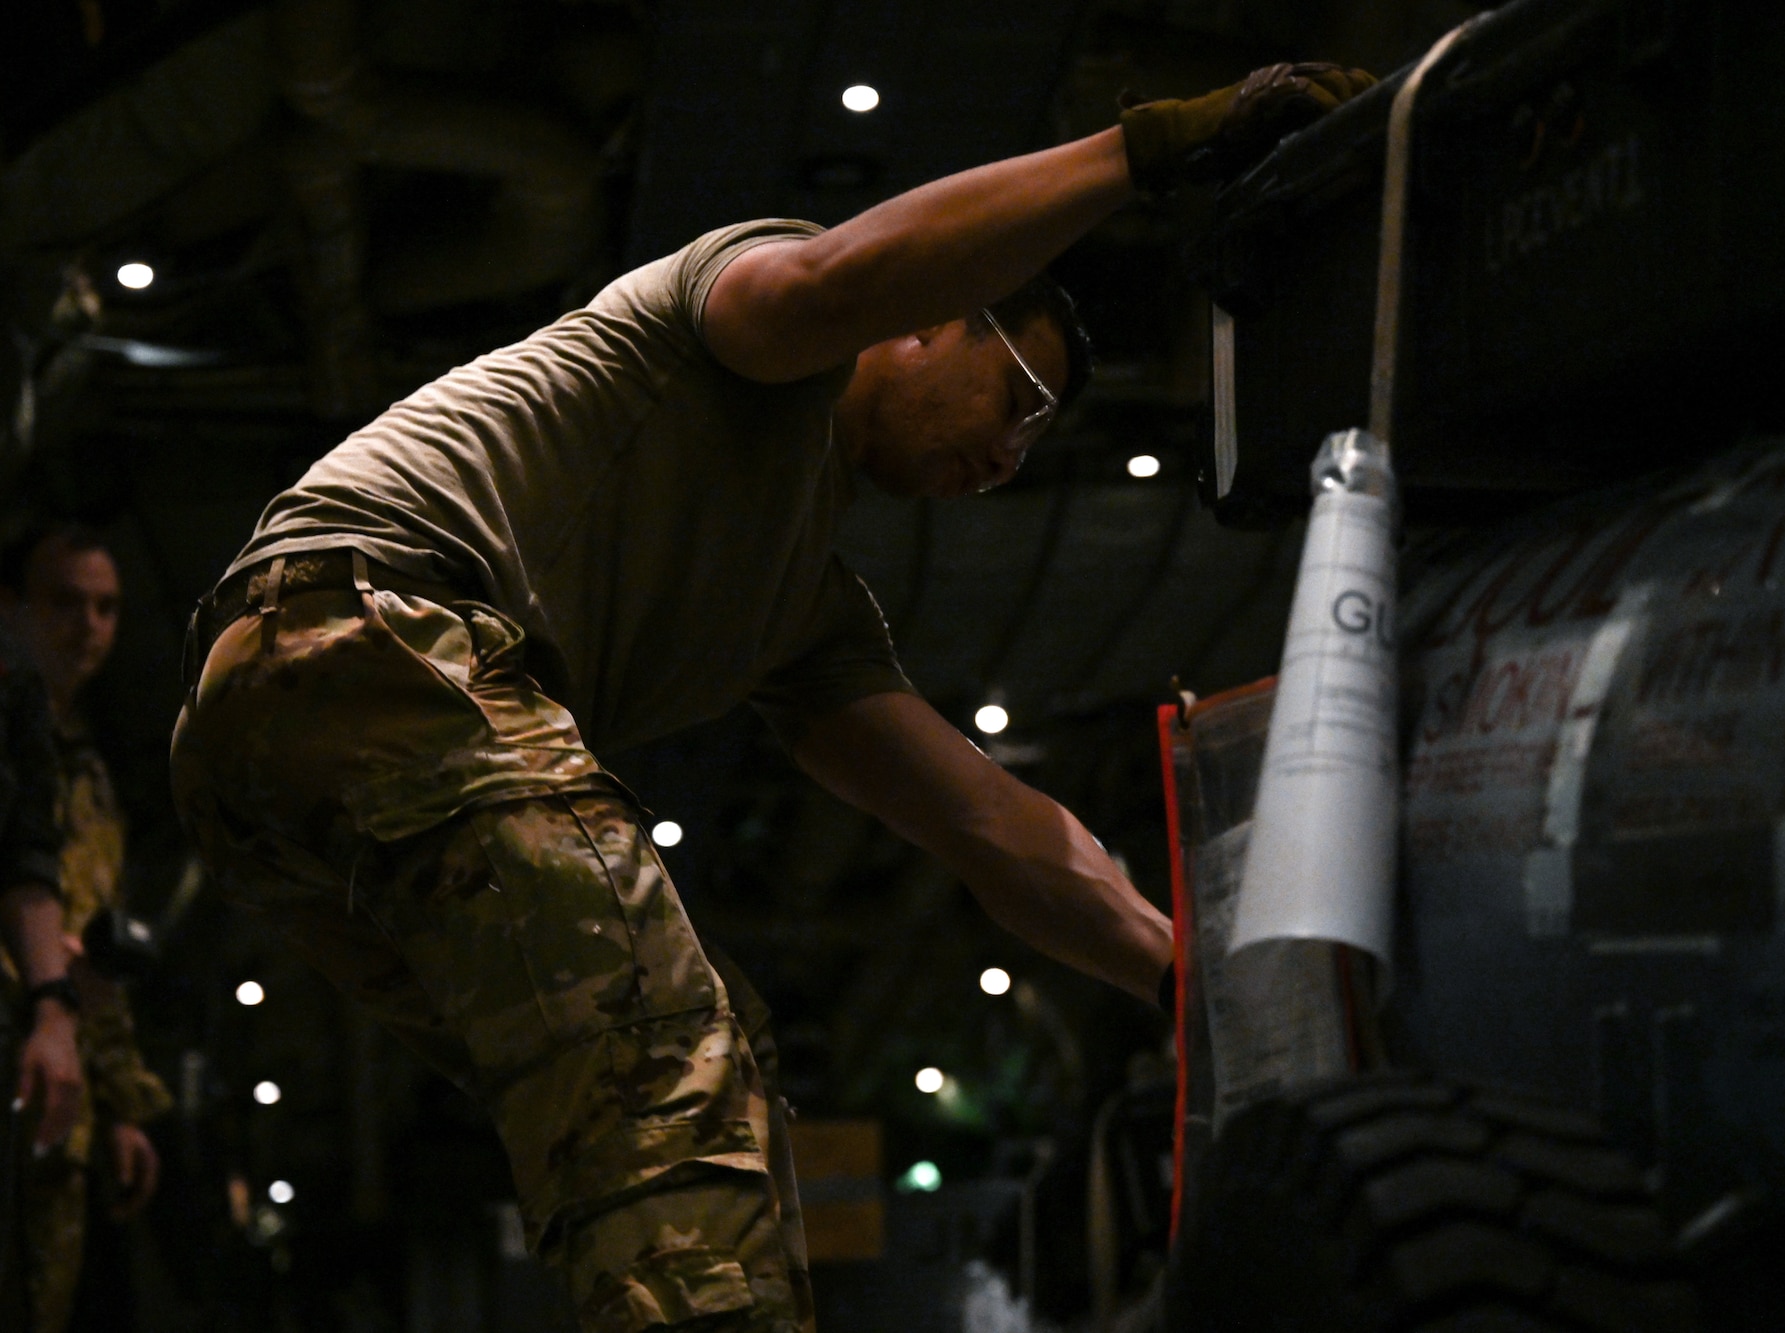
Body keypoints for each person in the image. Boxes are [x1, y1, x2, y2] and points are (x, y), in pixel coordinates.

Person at [170, 63, 1373, 1332]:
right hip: (370, 626)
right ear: (927, 318)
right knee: (657, 1054)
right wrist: (1153, 151)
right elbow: (843, 278)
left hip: (268, 775)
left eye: (1033, 448)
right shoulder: (752, 308)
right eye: (1017, 401)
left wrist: (1183, 979)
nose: (1005, 461)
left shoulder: (800, 608)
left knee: (689, 1067)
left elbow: (989, 823)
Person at [0, 526, 173, 1332]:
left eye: (106, 607)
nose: (89, 625)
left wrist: (122, 1098)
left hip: (57, 1073)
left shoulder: (93, 775)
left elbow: (95, 939)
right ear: (17, 609)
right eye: (65, 602)